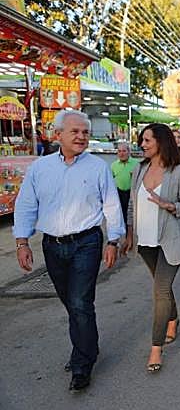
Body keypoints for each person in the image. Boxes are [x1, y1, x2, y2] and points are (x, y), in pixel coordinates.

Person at [13, 109, 124, 393]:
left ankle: (82, 364)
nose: (81, 137)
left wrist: (113, 240)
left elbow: (112, 205)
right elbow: (26, 205)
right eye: (75, 131)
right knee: (71, 303)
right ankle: (86, 346)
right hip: (52, 246)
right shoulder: (40, 168)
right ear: (58, 134)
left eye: (85, 132)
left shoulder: (98, 167)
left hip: (87, 243)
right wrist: (22, 242)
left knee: (80, 302)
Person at [121, 123, 180, 372]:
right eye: (142, 140)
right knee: (162, 287)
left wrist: (169, 205)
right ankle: (172, 318)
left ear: (161, 142)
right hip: (145, 241)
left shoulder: (179, 171)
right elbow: (132, 205)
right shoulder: (139, 169)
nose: (142, 145)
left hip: (170, 240)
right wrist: (129, 234)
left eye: (147, 140)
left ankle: (155, 348)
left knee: (160, 290)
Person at [111, 142, 139, 229]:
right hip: (119, 193)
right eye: (119, 151)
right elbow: (109, 181)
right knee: (121, 215)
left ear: (129, 151)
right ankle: (124, 233)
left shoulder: (137, 164)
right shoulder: (114, 165)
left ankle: (131, 233)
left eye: (124, 151)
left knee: (133, 216)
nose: (121, 153)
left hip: (132, 193)